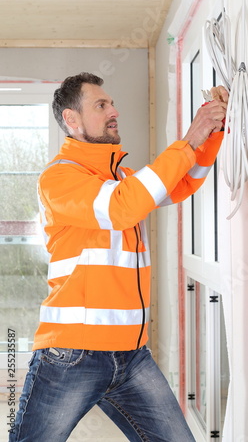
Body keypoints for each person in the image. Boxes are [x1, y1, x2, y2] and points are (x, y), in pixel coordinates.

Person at [10, 72, 228, 442]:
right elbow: (121, 208)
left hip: (130, 354)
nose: (114, 110)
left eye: (111, 103)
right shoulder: (59, 179)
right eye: (101, 105)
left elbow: (184, 179)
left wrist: (213, 124)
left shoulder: (121, 179)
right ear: (71, 120)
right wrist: (190, 137)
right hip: (72, 354)